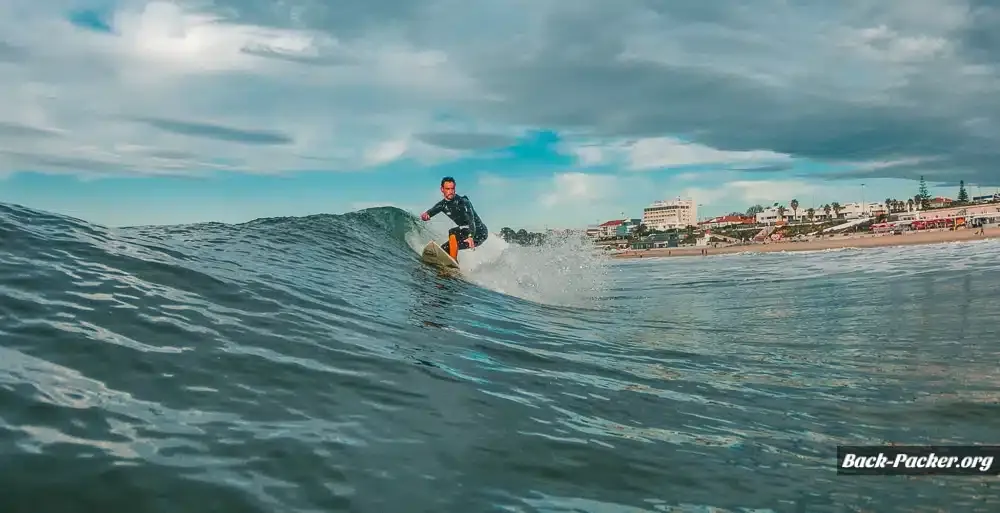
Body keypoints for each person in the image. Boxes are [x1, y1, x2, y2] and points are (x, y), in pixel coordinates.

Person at [420, 176, 488, 257]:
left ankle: (453, 260)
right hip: (466, 231)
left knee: (453, 232)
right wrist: (425, 216)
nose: (450, 191)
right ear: (442, 189)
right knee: (444, 249)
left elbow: (471, 220)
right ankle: (452, 264)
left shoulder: (464, 202)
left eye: (452, 189)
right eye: (447, 189)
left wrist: (470, 237)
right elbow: (429, 213)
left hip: (479, 233)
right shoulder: (442, 205)